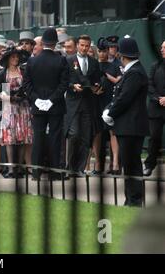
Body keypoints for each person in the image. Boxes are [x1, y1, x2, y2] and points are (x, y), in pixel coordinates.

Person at [103, 37, 149, 207]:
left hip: (132, 125)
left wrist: (110, 113)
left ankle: (134, 200)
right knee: (129, 164)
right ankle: (131, 199)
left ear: (122, 55)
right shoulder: (132, 71)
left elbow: (125, 98)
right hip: (129, 125)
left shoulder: (135, 72)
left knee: (131, 164)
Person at [23, 27, 69, 180]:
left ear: (42, 42)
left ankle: (36, 172)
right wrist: (51, 100)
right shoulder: (61, 60)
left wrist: (37, 100)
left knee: (38, 138)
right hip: (55, 105)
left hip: (38, 105)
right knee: (55, 138)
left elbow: (27, 84)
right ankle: (55, 172)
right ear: (55, 43)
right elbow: (64, 84)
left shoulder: (32, 61)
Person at [0, 47, 33, 178]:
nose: (15, 59)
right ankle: (10, 168)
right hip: (8, 107)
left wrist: (24, 95)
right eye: (13, 57)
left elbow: (29, 86)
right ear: (8, 59)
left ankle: (20, 167)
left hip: (23, 107)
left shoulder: (24, 71)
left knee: (22, 137)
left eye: (17, 57)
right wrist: (7, 97)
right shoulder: (1, 73)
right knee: (9, 137)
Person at [65, 35, 102, 176]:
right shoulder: (68, 60)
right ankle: (69, 167)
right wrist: (72, 86)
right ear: (77, 45)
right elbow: (63, 81)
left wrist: (97, 86)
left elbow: (97, 80)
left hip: (88, 103)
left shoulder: (93, 62)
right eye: (82, 45)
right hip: (73, 102)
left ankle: (79, 169)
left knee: (86, 136)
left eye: (87, 45)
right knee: (73, 134)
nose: (84, 48)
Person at [95, 38, 122, 175]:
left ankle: (115, 164)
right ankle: (98, 165)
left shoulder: (114, 66)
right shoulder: (93, 65)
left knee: (113, 132)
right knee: (97, 133)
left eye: (104, 51)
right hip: (96, 102)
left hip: (110, 102)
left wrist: (106, 75)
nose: (102, 54)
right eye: (100, 51)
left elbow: (119, 81)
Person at [143, 40, 165, 177]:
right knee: (154, 138)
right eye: (161, 47)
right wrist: (159, 99)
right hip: (156, 109)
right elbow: (149, 85)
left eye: (164, 48)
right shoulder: (155, 66)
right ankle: (149, 165)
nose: (162, 50)